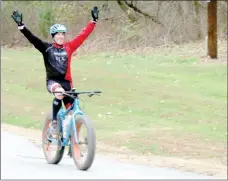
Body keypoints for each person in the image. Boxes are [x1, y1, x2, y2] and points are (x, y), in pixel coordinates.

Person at [11, 7, 99, 136]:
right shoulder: (46, 48)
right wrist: (21, 26)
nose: (60, 36)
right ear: (53, 36)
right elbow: (33, 39)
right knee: (59, 93)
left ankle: (72, 141)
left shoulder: (69, 47)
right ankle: (54, 123)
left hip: (67, 83)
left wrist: (93, 21)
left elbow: (82, 36)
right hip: (53, 82)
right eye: (58, 34)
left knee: (72, 114)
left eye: (62, 34)